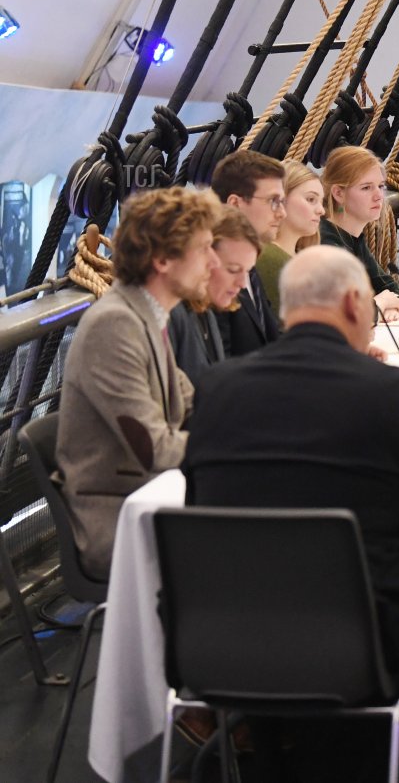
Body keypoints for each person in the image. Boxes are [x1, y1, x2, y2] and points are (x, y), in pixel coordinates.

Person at [183, 246, 399, 777]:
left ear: (286, 312)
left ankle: (269, 729)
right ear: (356, 303)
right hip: (364, 642)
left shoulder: (217, 389)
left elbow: (200, 512)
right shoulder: (397, 396)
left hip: (223, 637)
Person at [56, 187, 221, 579]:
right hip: (117, 523)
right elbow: (155, 449)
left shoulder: (146, 315)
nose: (214, 262)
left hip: (155, 499)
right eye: (204, 250)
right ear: (163, 259)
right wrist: (233, 444)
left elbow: (197, 402)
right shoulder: (115, 326)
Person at [167, 208, 261, 384]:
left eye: (247, 272)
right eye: (233, 270)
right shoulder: (172, 314)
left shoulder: (207, 312)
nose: (242, 284)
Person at [210, 150, 287, 355]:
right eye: (273, 201)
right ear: (235, 204)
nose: (282, 213)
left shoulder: (248, 266)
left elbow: (272, 339)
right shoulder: (213, 270)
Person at [318, 146, 399, 321]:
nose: (378, 196)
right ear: (338, 193)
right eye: (366, 188)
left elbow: (395, 291)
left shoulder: (353, 238)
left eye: (380, 186)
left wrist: (384, 308)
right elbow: (348, 315)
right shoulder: (326, 243)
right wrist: (380, 305)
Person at [256, 159, 324, 314]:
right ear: (280, 199)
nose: (321, 210)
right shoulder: (268, 259)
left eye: (321, 202)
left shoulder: (297, 259)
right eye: (311, 199)